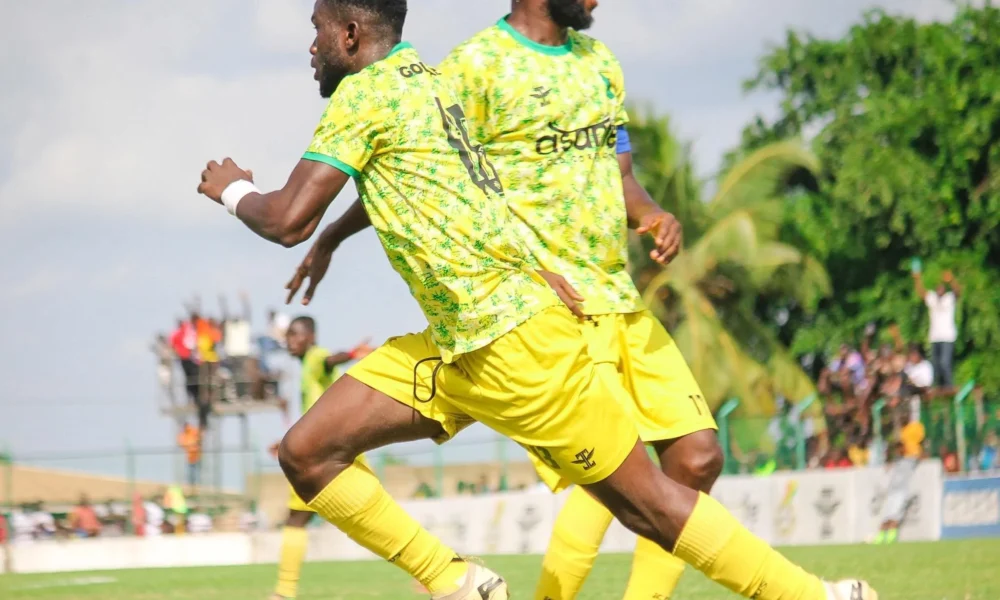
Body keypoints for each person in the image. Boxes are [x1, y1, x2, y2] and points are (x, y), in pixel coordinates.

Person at [198, 2, 872, 599]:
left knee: (651, 505)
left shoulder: (368, 94)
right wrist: (528, 266)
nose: (311, 45)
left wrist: (231, 189)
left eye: (317, 29)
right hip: (462, 343)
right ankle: (457, 581)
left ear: (349, 33)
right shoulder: (434, 82)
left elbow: (287, 220)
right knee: (307, 451)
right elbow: (476, 185)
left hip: (517, 345)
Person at [269, 315, 373, 600]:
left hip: (323, 455)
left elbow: (328, 361)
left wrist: (349, 354)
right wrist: (286, 440)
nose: (290, 341)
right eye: (288, 336)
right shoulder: (306, 369)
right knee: (370, 517)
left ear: (310, 337)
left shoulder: (315, 357)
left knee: (298, 519)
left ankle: (284, 592)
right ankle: (437, 570)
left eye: (296, 335)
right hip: (336, 449)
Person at [913, 269, 959, 388]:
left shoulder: (949, 298)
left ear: (944, 290)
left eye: (941, 288)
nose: (939, 290)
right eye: (938, 288)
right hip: (935, 336)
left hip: (947, 336)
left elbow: (957, 292)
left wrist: (952, 280)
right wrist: (917, 278)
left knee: (945, 362)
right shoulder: (932, 298)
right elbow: (921, 292)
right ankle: (938, 385)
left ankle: (948, 385)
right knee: (935, 363)